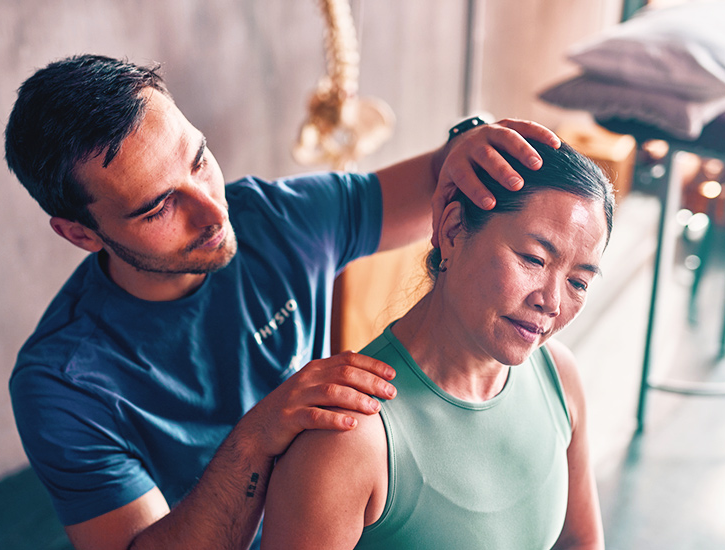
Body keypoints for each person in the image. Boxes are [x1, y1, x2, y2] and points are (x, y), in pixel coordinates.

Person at [4, 54, 561, 550]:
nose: (211, 212)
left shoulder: (274, 220)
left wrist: (470, 142)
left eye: (198, 159)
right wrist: (256, 437)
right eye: (157, 208)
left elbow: (441, 176)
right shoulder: (61, 383)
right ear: (81, 234)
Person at [261, 139, 613, 549]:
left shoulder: (557, 375)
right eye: (533, 259)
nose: (551, 302)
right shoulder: (347, 438)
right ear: (451, 231)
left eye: (578, 282)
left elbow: (580, 543)